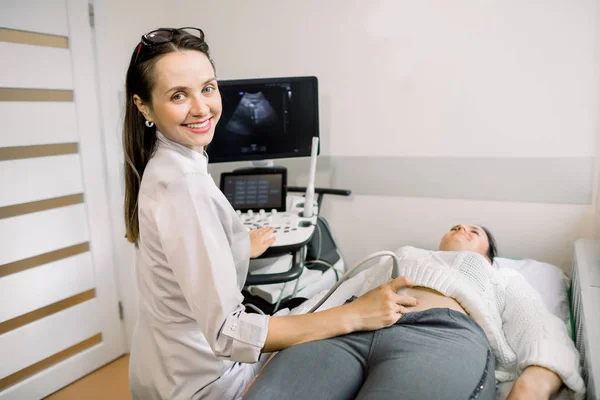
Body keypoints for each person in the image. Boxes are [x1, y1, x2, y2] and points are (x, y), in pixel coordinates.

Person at [122, 27, 418, 400]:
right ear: (144, 106)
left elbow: (182, 266)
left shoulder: (166, 165)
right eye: (178, 95)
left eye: (208, 88)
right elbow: (227, 332)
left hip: (165, 368)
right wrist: (355, 316)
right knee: (348, 308)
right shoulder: (183, 186)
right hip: (204, 383)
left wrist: (236, 246)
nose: (201, 108)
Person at [243, 224, 585, 400]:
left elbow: (539, 324)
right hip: (348, 329)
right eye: (456, 225)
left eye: (474, 231)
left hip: (441, 336)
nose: (462, 229)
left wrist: (532, 386)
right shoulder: (401, 255)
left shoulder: (501, 275)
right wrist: (276, 348)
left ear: (489, 254)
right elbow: (334, 297)